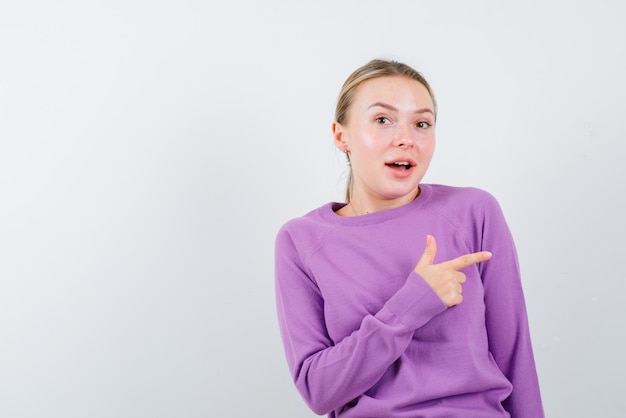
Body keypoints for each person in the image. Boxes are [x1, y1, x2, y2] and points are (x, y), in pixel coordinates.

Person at [274, 59, 544, 417]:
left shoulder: (474, 212)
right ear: (342, 136)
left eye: (422, 124)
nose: (406, 139)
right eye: (383, 120)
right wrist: (411, 306)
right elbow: (318, 391)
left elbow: (515, 357)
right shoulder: (302, 241)